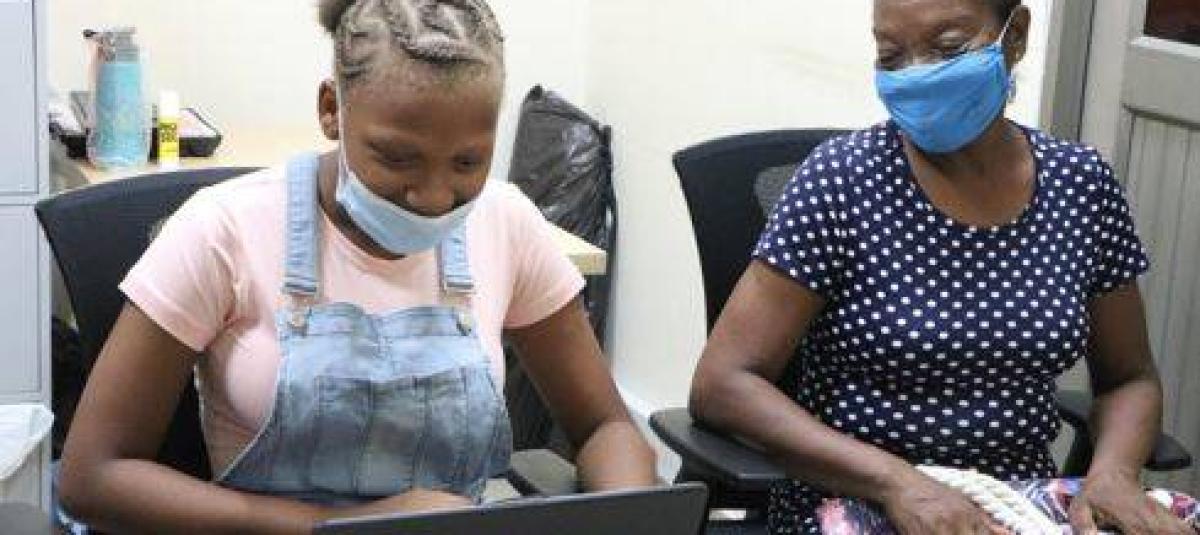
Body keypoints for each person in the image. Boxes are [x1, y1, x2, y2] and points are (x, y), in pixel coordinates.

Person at [58, 1, 657, 532]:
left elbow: (605, 427)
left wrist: (630, 514)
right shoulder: (223, 230)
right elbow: (93, 476)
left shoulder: (506, 224)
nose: (433, 197)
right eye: (398, 158)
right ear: (331, 110)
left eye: (468, 162)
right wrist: (338, 526)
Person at [688, 0, 1192, 533]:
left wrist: (1113, 475)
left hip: (1017, 505)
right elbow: (723, 384)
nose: (917, 75)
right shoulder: (841, 182)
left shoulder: (1081, 186)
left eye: (948, 48)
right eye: (891, 56)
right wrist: (898, 483)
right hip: (855, 498)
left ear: (1015, 35)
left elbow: (1130, 378)